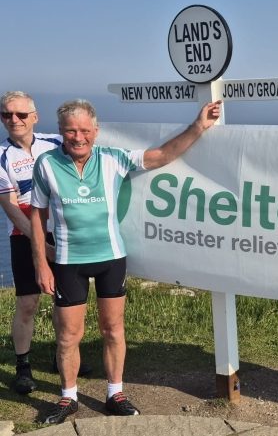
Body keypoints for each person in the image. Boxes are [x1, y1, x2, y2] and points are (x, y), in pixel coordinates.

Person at [30, 98, 222, 424]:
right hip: (67, 261)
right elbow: (37, 214)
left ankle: (115, 393)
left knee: (113, 330)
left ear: (96, 130)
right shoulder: (46, 164)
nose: (78, 137)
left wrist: (198, 126)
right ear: (61, 131)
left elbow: (161, 155)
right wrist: (40, 263)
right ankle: (68, 397)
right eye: (70, 131)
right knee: (67, 336)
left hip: (110, 258)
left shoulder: (112, 159)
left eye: (85, 130)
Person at [0, 91, 91, 395]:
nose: (14, 120)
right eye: (7, 115)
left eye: (21, 115)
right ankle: (23, 367)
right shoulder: (1, 156)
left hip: (66, 229)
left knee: (66, 301)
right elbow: (11, 206)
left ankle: (61, 357)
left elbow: (88, 155)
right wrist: (40, 242)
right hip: (25, 234)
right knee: (28, 302)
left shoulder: (56, 142)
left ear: (34, 117)